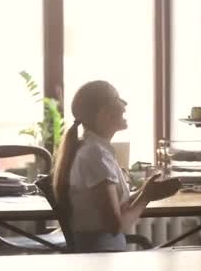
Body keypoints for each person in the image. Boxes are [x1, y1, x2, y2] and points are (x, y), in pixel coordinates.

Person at [52, 81, 181, 252]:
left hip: (104, 253)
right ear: (104, 113)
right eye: (119, 99)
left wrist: (145, 190)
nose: (125, 106)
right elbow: (115, 227)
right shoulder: (95, 155)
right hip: (102, 257)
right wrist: (146, 197)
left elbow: (115, 207)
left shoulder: (95, 149)